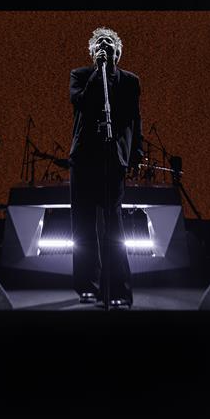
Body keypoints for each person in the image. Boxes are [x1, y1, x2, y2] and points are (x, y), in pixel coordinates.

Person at [69, 27, 143, 308]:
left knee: (113, 223)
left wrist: (135, 153)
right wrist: (97, 73)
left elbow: (135, 119)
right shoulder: (79, 75)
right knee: (84, 224)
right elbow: (81, 103)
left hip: (113, 158)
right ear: (92, 52)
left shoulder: (130, 81)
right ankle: (88, 286)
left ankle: (118, 289)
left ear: (118, 52)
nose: (104, 45)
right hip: (84, 158)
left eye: (109, 43)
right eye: (99, 43)